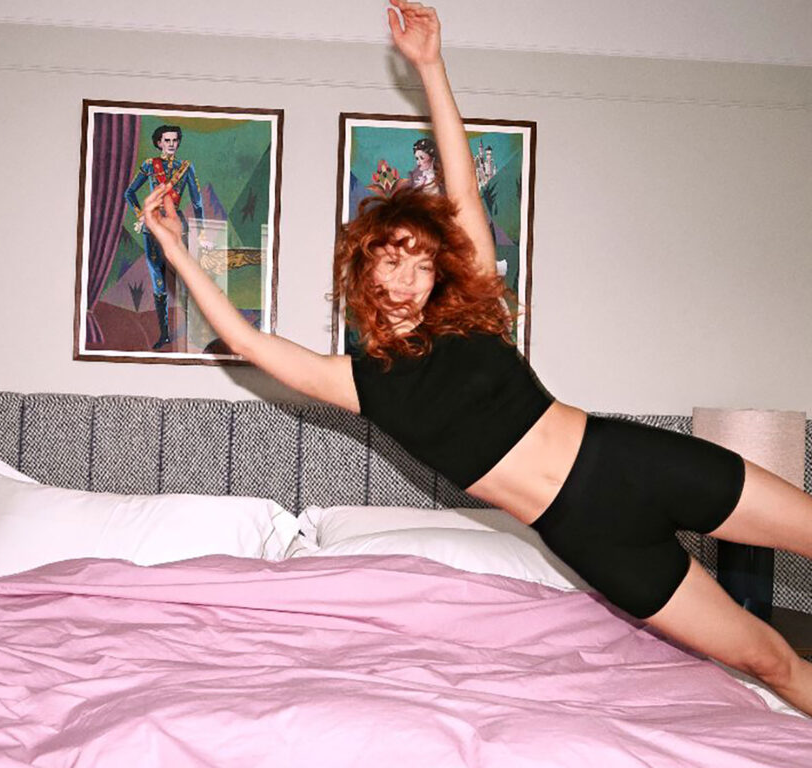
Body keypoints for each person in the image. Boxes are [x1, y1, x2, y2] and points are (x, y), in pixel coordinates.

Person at [140, 0, 812, 715]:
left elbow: (462, 191)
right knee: (768, 659)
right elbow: (248, 343)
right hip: (592, 538)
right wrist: (177, 249)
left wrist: (431, 66)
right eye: (391, 261)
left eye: (421, 263)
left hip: (636, 461)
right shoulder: (362, 383)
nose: (407, 278)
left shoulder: (478, 316)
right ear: (364, 272)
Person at [125, 124, 205, 349]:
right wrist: (141, 215)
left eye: (174, 140)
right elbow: (129, 193)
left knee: (185, 280)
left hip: (177, 229)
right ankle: (165, 335)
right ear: (159, 142)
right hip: (152, 229)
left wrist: (201, 233)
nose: (171, 144)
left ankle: (193, 334)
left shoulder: (186, 167)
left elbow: (197, 202)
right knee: (159, 282)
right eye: (166, 140)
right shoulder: (149, 165)